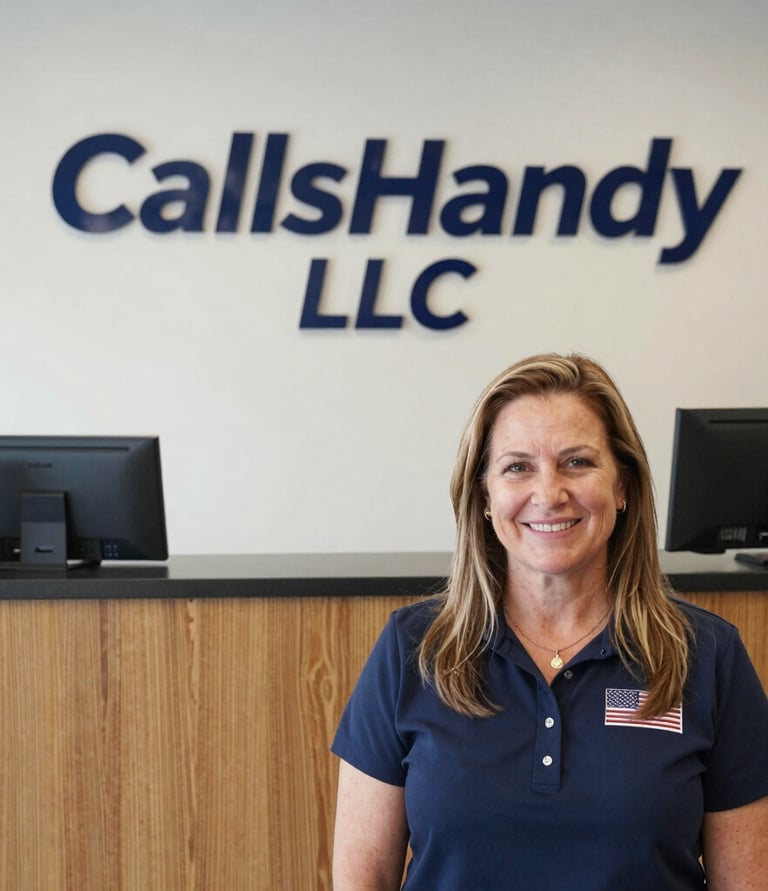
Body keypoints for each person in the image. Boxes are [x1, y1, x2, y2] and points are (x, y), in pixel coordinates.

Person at [331, 352, 768, 890]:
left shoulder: (708, 655)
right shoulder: (412, 650)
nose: (549, 493)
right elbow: (363, 878)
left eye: (577, 462)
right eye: (518, 467)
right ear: (485, 497)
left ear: (624, 485)